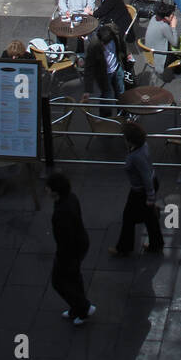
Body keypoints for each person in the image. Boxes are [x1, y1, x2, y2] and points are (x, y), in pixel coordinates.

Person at [108, 122, 163, 257]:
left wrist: (150, 197)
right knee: (149, 217)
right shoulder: (143, 146)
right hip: (149, 184)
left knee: (128, 217)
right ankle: (156, 244)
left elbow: (145, 176)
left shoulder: (135, 157)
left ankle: (124, 247)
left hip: (140, 190)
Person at [47, 172, 95, 326]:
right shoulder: (71, 198)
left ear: (55, 191)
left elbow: (65, 239)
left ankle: (83, 307)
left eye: (47, 188)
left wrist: (62, 256)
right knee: (73, 277)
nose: (45, 190)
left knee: (58, 282)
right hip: (80, 244)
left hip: (69, 251)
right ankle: (77, 307)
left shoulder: (61, 213)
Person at [83, 25, 124, 107]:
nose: (102, 45)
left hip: (117, 69)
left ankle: (123, 113)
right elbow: (89, 67)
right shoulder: (94, 45)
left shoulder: (115, 36)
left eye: (104, 43)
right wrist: (87, 89)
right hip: (104, 75)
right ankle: (106, 117)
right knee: (107, 97)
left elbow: (122, 48)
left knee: (121, 93)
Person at [144, 5, 181, 72]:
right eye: (172, 15)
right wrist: (173, 27)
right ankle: (178, 70)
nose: (173, 17)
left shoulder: (153, 18)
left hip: (150, 54)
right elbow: (175, 43)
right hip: (160, 57)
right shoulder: (164, 26)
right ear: (165, 17)